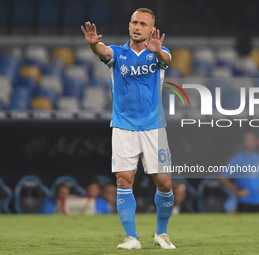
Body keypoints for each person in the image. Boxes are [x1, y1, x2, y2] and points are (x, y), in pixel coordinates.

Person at [81, 7, 175, 249]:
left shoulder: (158, 52)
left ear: (151, 29)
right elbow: (103, 51)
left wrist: (158, 53)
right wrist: (93, 45)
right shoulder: (118, 53)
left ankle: (161, 234)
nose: (137, 27)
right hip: (123, 125)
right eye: (134, 22)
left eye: (143, 24)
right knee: (124, 180)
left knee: (164, 183)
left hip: (154, 126)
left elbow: (167, 59)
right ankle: (132, 237)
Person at [220, 131, 259, 212]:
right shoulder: (237, 159)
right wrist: (237, 191)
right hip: (244, 201)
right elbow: (223, 177)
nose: (250, 142)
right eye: (248, 139)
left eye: (252, 139)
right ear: (243, 142)